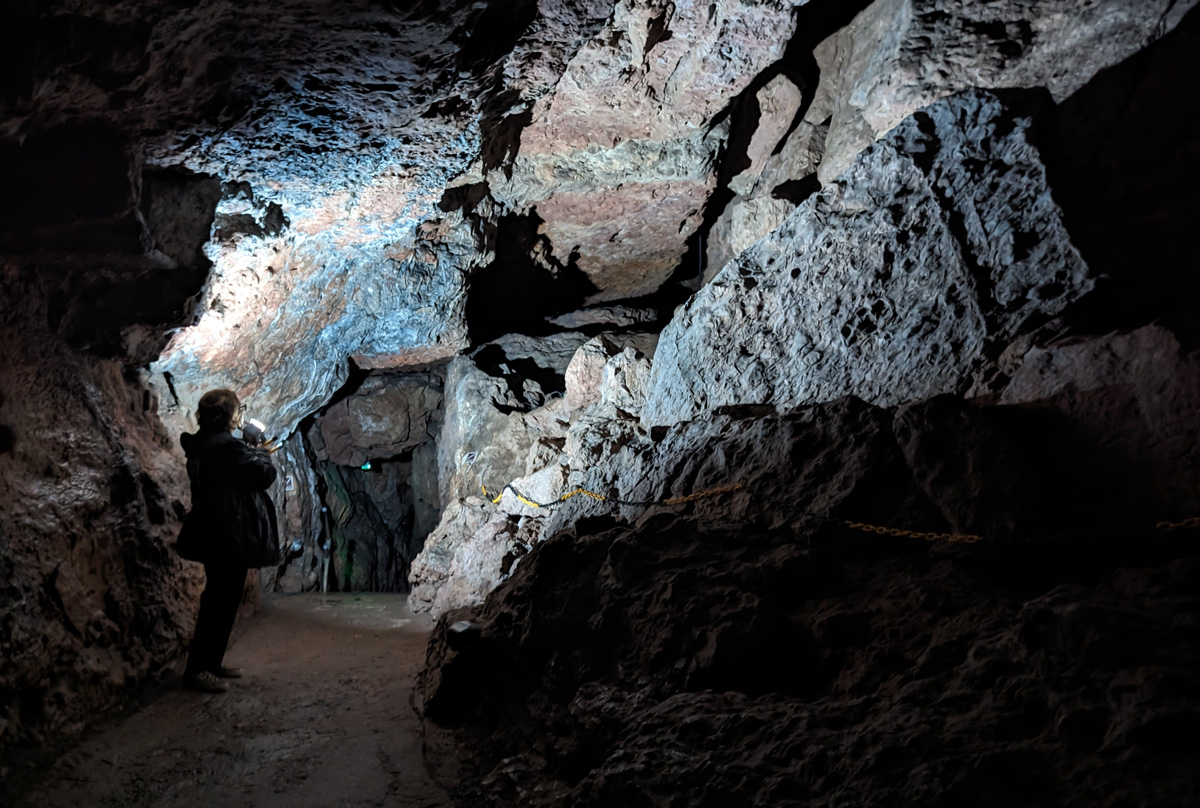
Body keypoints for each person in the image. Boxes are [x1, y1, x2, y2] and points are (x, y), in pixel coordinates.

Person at [177, 389, 280, 693]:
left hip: (213, 529)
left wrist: (248, 450)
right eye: (237, 410)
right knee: (218, 601)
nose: (240, 416)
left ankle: (211, 664)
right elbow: (263, 476)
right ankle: (197, 671)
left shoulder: (202, 445)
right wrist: (260, 449)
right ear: (228, 415)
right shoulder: (224, 447)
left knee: (224, 598)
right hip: (227, 532)